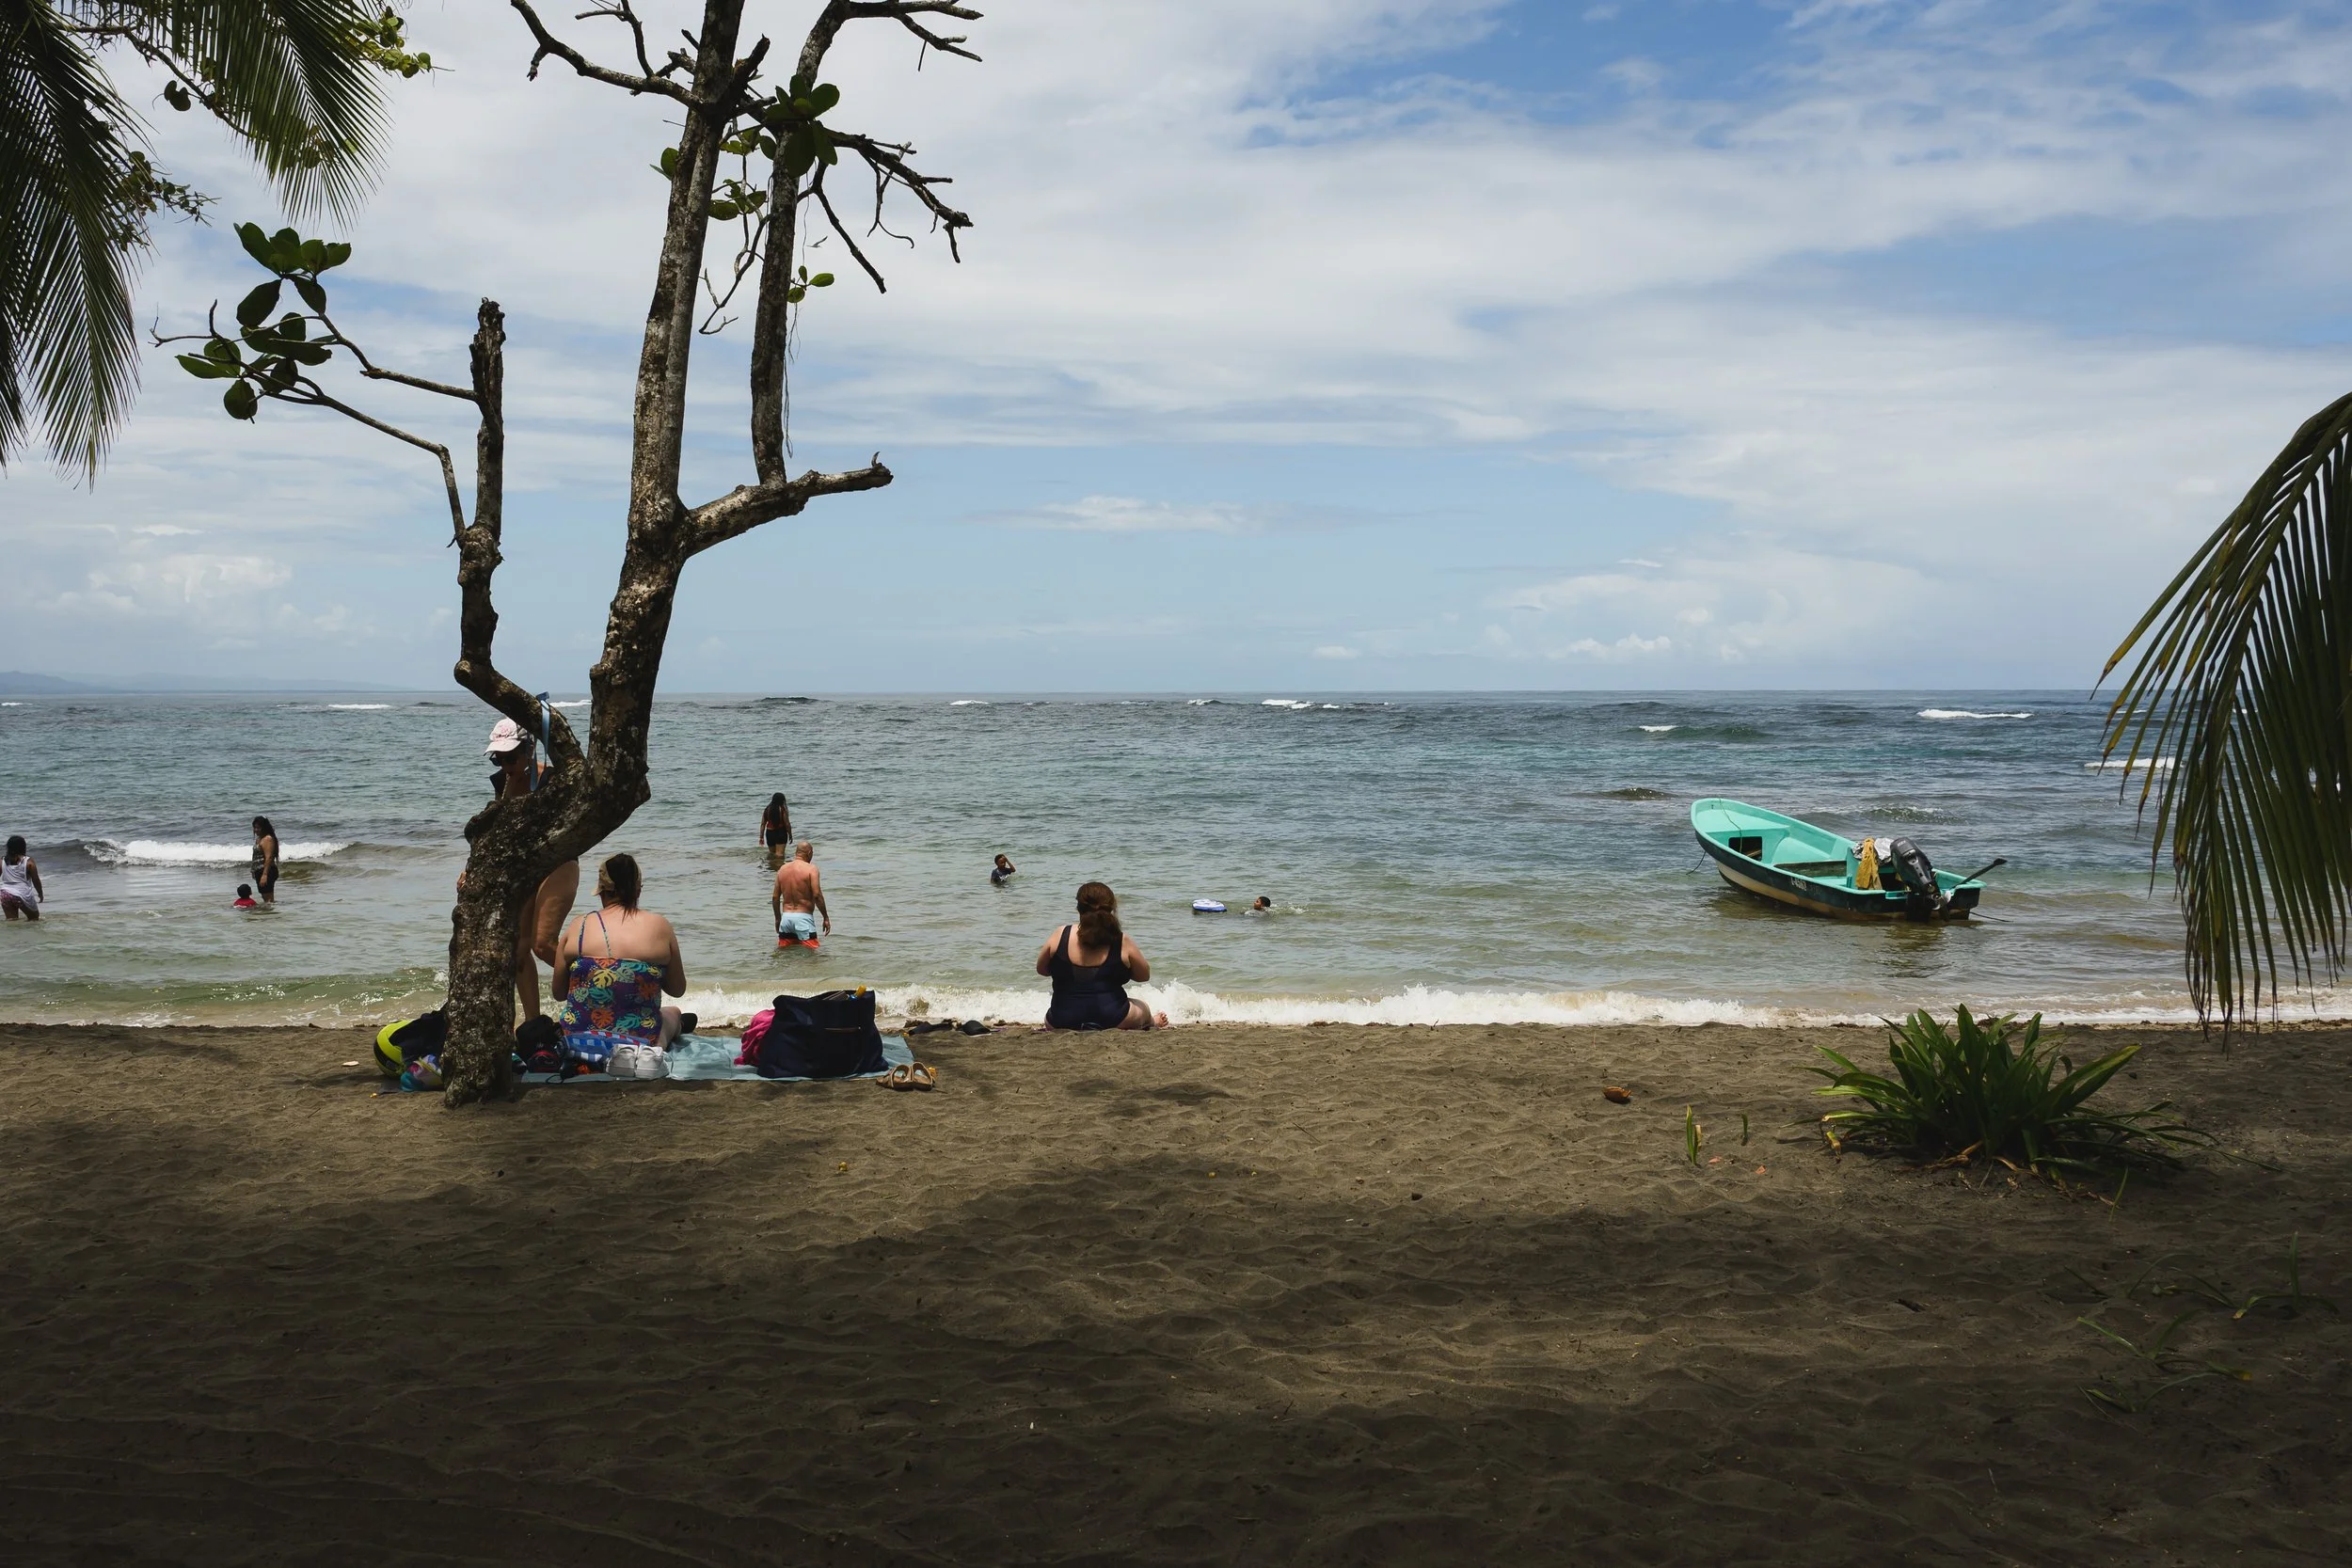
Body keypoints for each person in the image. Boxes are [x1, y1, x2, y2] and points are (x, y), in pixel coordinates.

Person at [486, 717, 580, 1019]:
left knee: (543, 945)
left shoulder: (552, 779)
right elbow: (498, 831)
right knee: (518, 950)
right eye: (499, 759)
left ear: (529, 749)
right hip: (525, 867)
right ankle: (532, 1024)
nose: (505, 766)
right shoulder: (501, 783)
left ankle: (602, 986)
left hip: (558, 862)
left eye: (511, 758)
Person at [553, 853, 693, 1053]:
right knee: (673, 1013)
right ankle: (679, 1025)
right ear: (638, 891)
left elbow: (558, 993)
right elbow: (677, 989)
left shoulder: (579, 925)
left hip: (578, 1039)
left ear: (602, 892)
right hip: (639, 1043)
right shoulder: (659, 926)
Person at [1035, 881, 1168, 1031]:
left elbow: (1042, 970)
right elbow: (1144, 976)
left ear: (1078, 909)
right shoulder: (1120, 940)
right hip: (1113, 1018)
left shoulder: (1061, 935)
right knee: (1142, 1006)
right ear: (1111, 909)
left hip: (1060, 1020)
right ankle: (1153, 1022)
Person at [771, 840, 830, 945]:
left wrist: (777, 919)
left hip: (786, 918)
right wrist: (825, 917)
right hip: (804, 919)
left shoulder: (782, 869)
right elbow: (817, 895)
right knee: (811, 954)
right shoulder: (811, 869)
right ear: (809, 853)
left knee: (785, 953)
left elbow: (775, 898)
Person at [2, 835, 42, 920]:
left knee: (11, 921)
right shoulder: (28, 862)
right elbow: (36, 880)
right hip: (22, 894)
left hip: (5, 894)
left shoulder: (2, 861)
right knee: (34, 918)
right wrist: (40, 893)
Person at [249, 816, 279, 905]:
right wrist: (253, 870)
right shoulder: (259, 839)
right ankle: (269, 912)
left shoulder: (267, 839)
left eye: (258, 827)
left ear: (264, 827)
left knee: (268, 898)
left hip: (267, 871)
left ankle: (271, 912)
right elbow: (255, 856)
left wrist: (265, 874)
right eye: (254, 827)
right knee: (264, 896)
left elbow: (269, 857)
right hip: (259, 870)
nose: (256, 830)